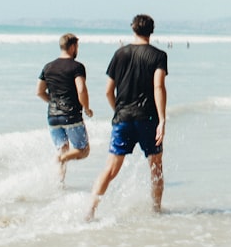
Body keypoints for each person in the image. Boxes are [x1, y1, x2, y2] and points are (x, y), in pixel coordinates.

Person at [88, 14, 168, 220]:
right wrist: (162, 120)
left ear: (133, 29)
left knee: (111, 168)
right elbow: (158, 86)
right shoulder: (159, 56)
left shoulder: (120, 54)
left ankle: (90, 211)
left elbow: (108, 91)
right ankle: (156, 211)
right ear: (152, 31)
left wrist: (119, 111)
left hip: (122, 117)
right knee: (156, 166)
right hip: (148, 118)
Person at [36, 33, 94, 182]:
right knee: (83, 151)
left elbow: (39, 92)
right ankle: (61, 158)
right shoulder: (77, 67)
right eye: (77, 47)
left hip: (53, 117)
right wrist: (86, 108)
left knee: (62, 149)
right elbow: (81, 89)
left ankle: (59, 185)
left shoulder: (48, 67)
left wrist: (53, 101)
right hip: (71, 115)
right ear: (73, 47)